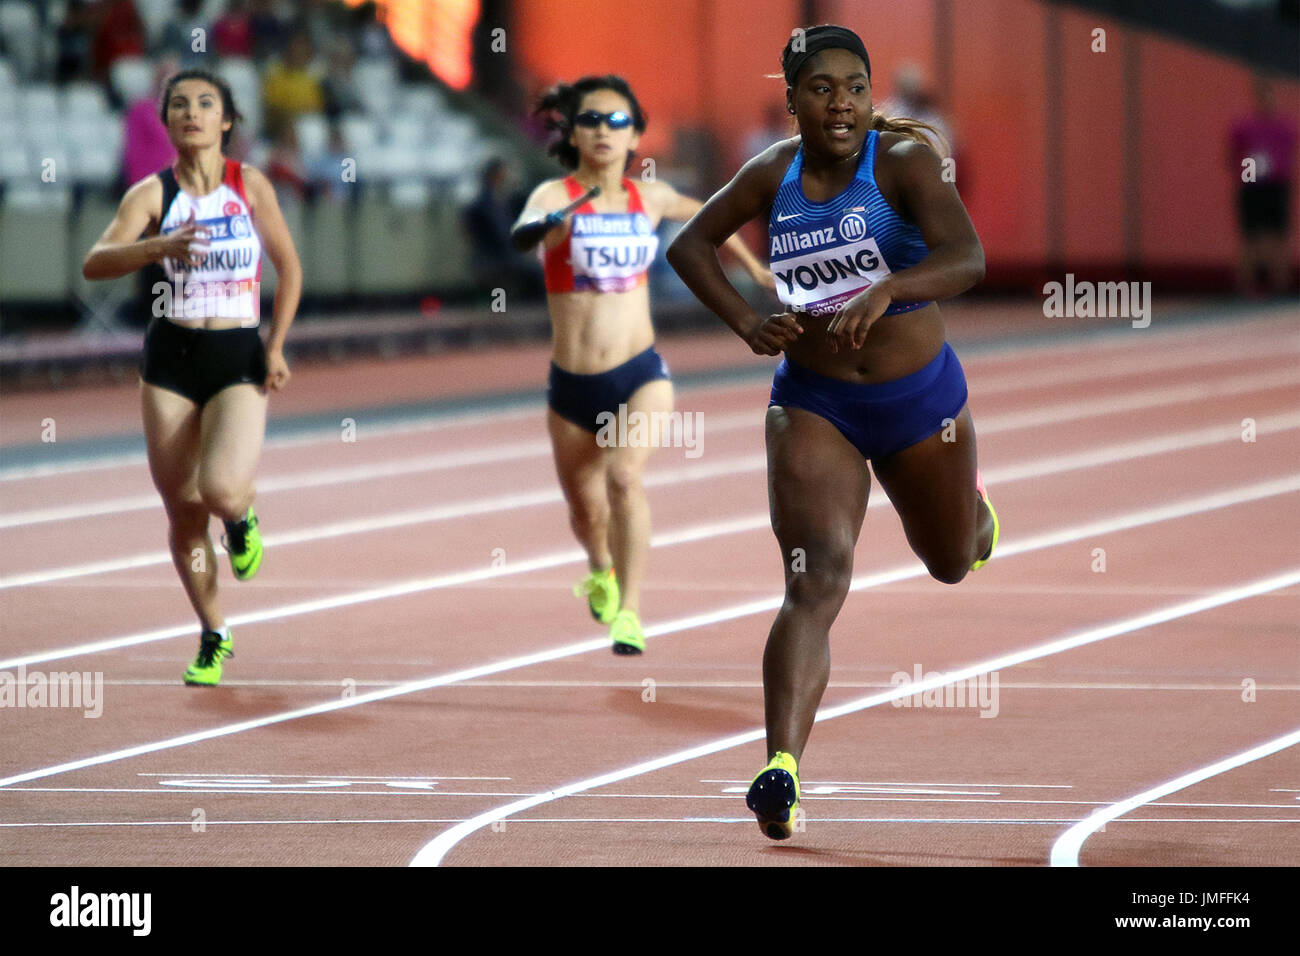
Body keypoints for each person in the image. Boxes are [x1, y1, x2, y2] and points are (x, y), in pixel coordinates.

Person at [665, 25, 998, 839]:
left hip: (919, 401)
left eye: (855, 86)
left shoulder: (904, 164)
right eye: (822, 88)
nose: (841, 102)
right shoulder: (772, 173)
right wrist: (747, 321)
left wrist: (890, 291)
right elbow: (690, 244)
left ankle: (979, 515)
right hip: (814, 403)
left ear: (870, 95)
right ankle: (781, 769)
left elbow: (968, 257)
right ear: (794, 101)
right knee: (815, 581)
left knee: (951, 560)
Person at [512, 74, 773, 654]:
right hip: (572, 388)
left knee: (624, 478)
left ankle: (630, 612)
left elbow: (713, 214)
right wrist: (544, 232)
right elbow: (522, 235)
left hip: (639, 375)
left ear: (634, 137)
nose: (604, 131)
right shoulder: (553, 197)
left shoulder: (649, 198)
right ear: (574, 133)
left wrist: (753, 271)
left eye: (617, 121)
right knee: (585, 513)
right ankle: (601, 566)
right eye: (591, 121)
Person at [82, 69, 302, 687]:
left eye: (206, 104)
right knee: (182, 511)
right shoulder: (151, 196)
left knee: (223, 490)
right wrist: (157, 247)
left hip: (237, 352)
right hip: (170, 356)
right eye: (179, 105)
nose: (192, 113)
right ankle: (213, 631)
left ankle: (242, 518)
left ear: (226, 121)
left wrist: (277, 345)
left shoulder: (250, 185)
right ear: (167, 121)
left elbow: (289, 269)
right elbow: (94, 262)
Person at [1228, 75, 1297, 298]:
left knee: (1279, 235)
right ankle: (1246, 287)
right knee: (1250, 236)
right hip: (1252, 184)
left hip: (1277, 184)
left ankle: (1281, 286)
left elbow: (1291, 154)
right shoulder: (1243, 126)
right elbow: (1233, 154)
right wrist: (1244, 175)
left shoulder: (1286, 127)